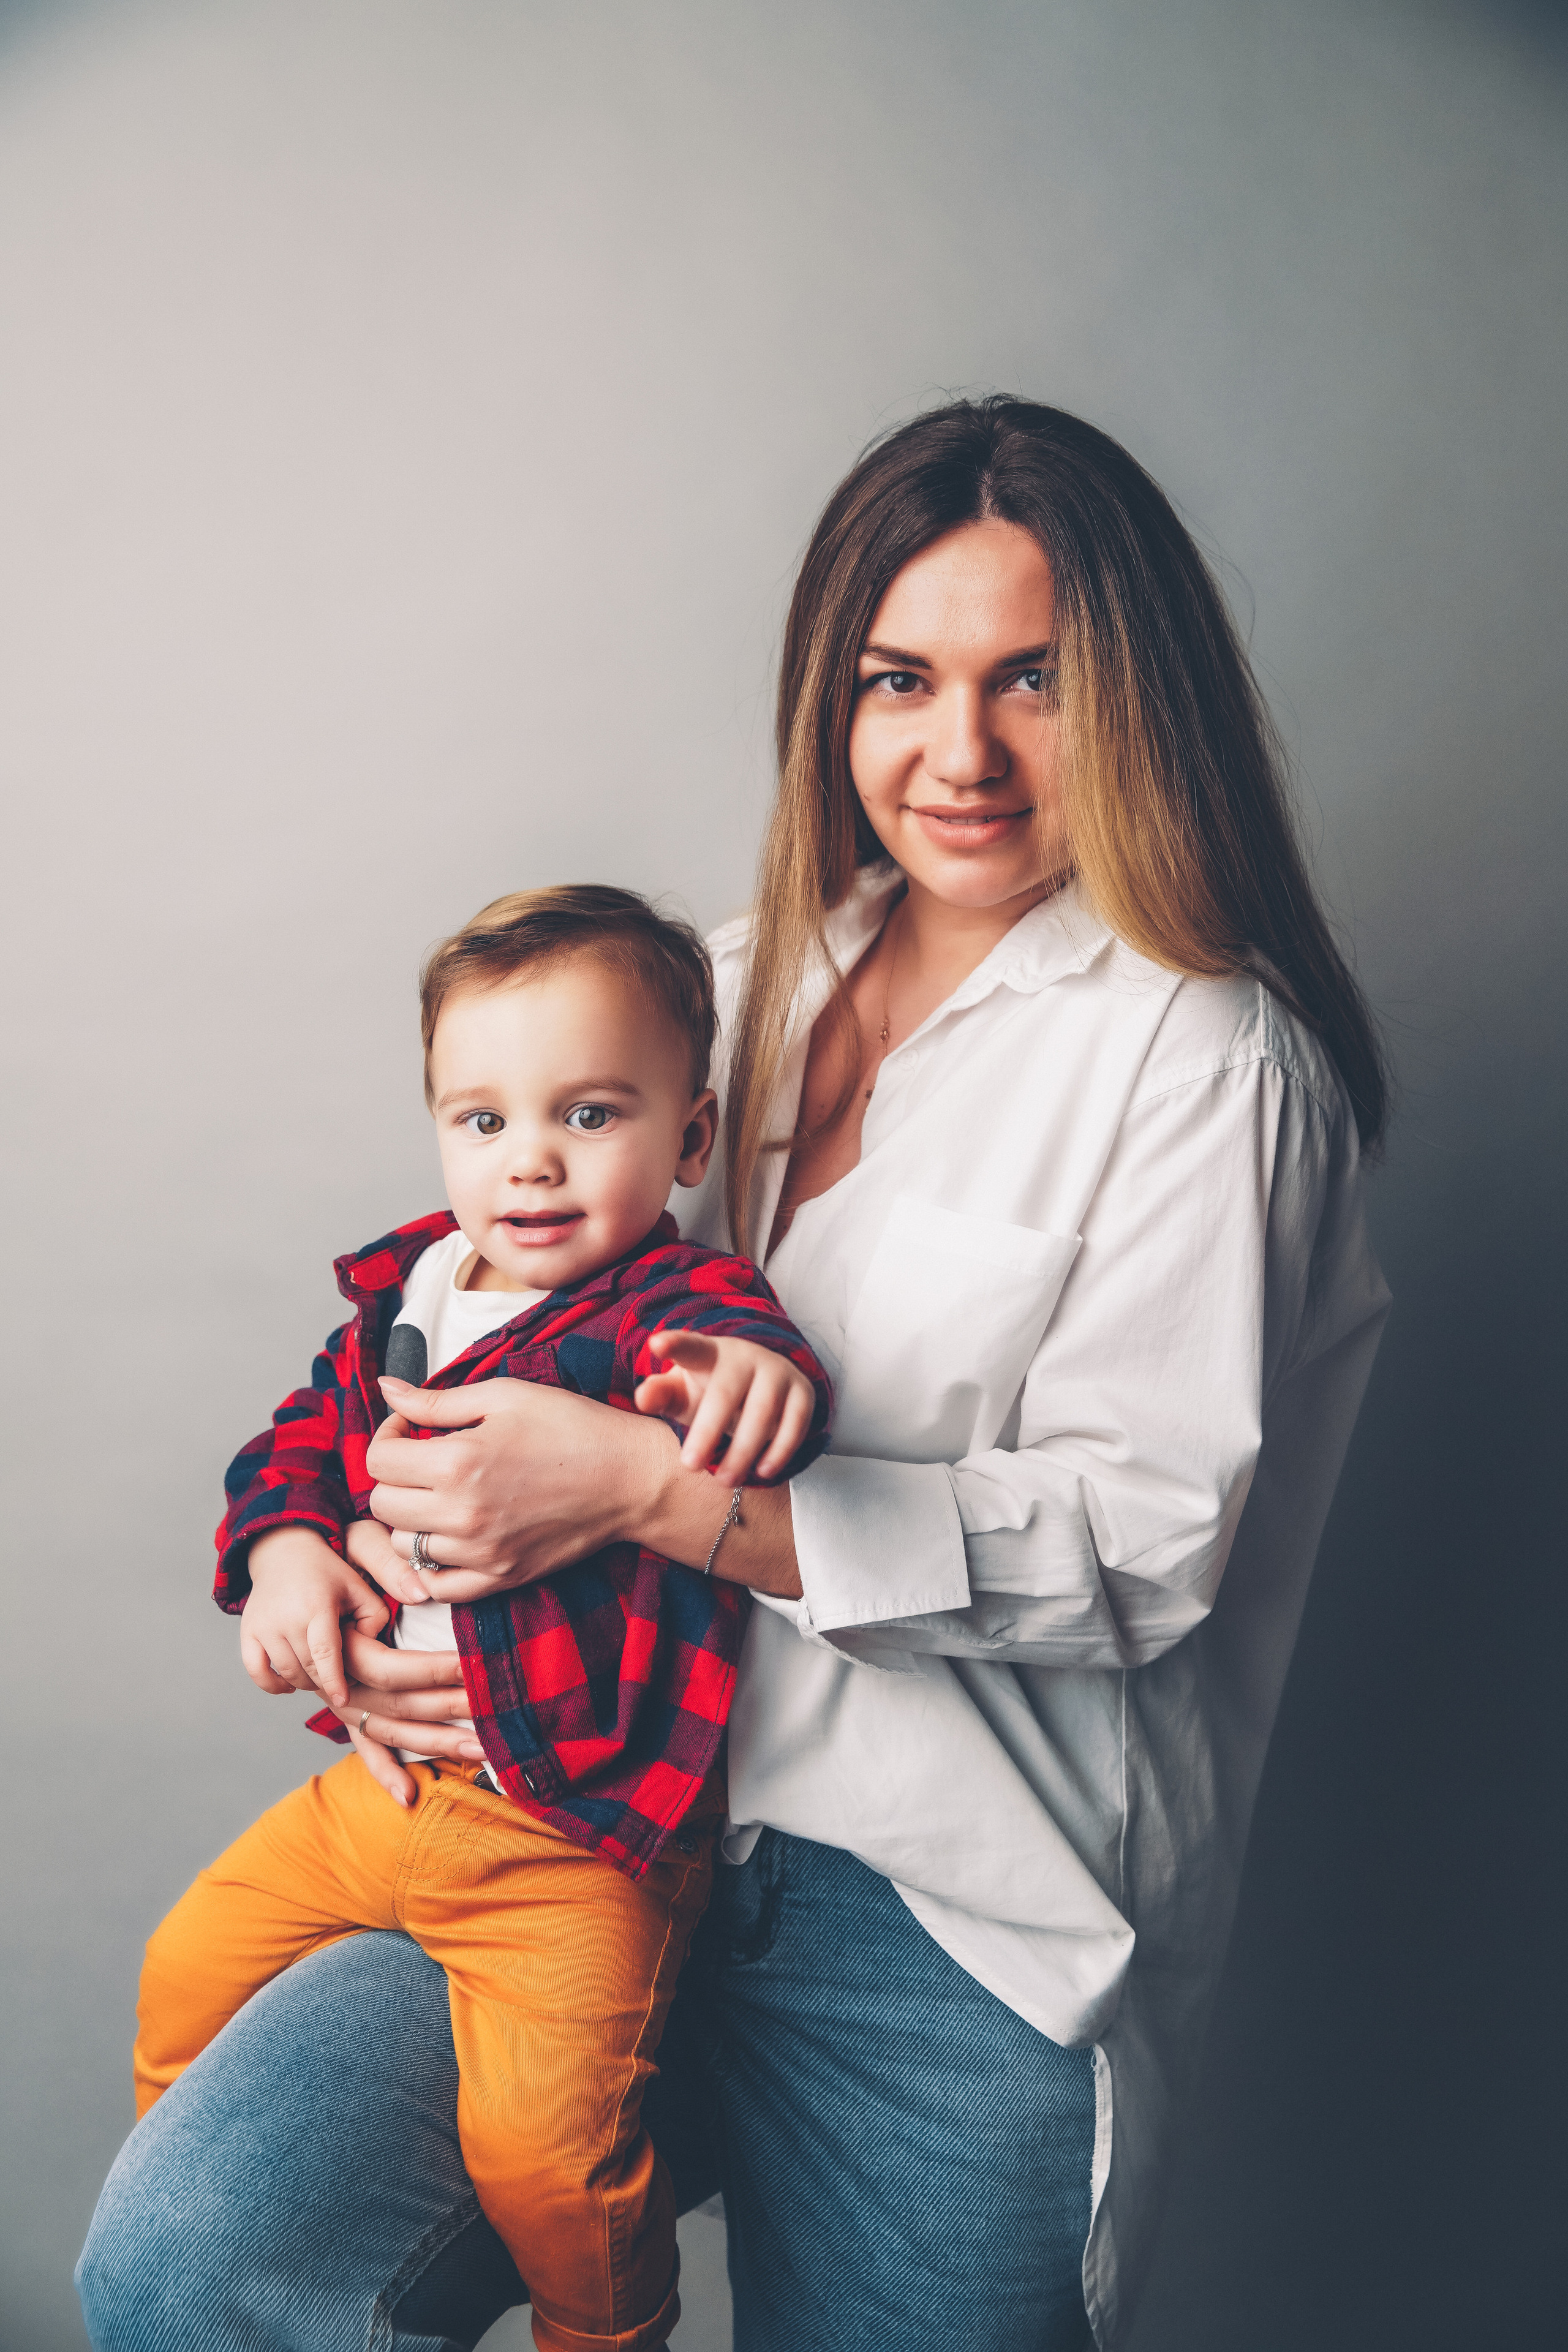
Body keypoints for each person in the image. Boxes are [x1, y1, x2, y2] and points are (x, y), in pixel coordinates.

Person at [78, 397, 1392, 2352]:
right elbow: (454, 1342)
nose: (959, 753)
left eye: (1031, 680)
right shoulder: (714, 983)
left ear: (1132, 699)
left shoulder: (1205, 1065)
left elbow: (1139, 1553)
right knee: (195, 2265)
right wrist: (360, 1582)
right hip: (578, 1811)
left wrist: (644, 1494)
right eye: (899, 680)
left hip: (942, 1928)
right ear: (827, 694)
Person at [127, 884, 831, 2352]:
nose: (531, 1167)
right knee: (186, 1969)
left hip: (573, 1838)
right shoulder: (413, 1288)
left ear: (688, 1138)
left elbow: (739, 1358)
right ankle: (193, 2209)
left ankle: (607, 2332)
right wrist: (284, 1558)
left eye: (590, 1116)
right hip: (384, 1796)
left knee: (543, 2157)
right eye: (484, 1122)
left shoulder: (665, 1308)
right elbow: (293, 1449)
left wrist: (743, 1389)